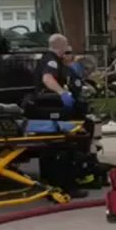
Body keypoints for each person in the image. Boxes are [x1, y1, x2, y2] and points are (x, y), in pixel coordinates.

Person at [31, 34, 87, 197]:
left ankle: (51, 184)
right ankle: (66, 186)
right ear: (61, 45)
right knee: (63, 149)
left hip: (49, 111)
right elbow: (47, 78)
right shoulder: (51, 60)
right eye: (66, 46)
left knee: (50, 151)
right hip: (52, 111)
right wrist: (62, 93)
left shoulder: (51, 59)